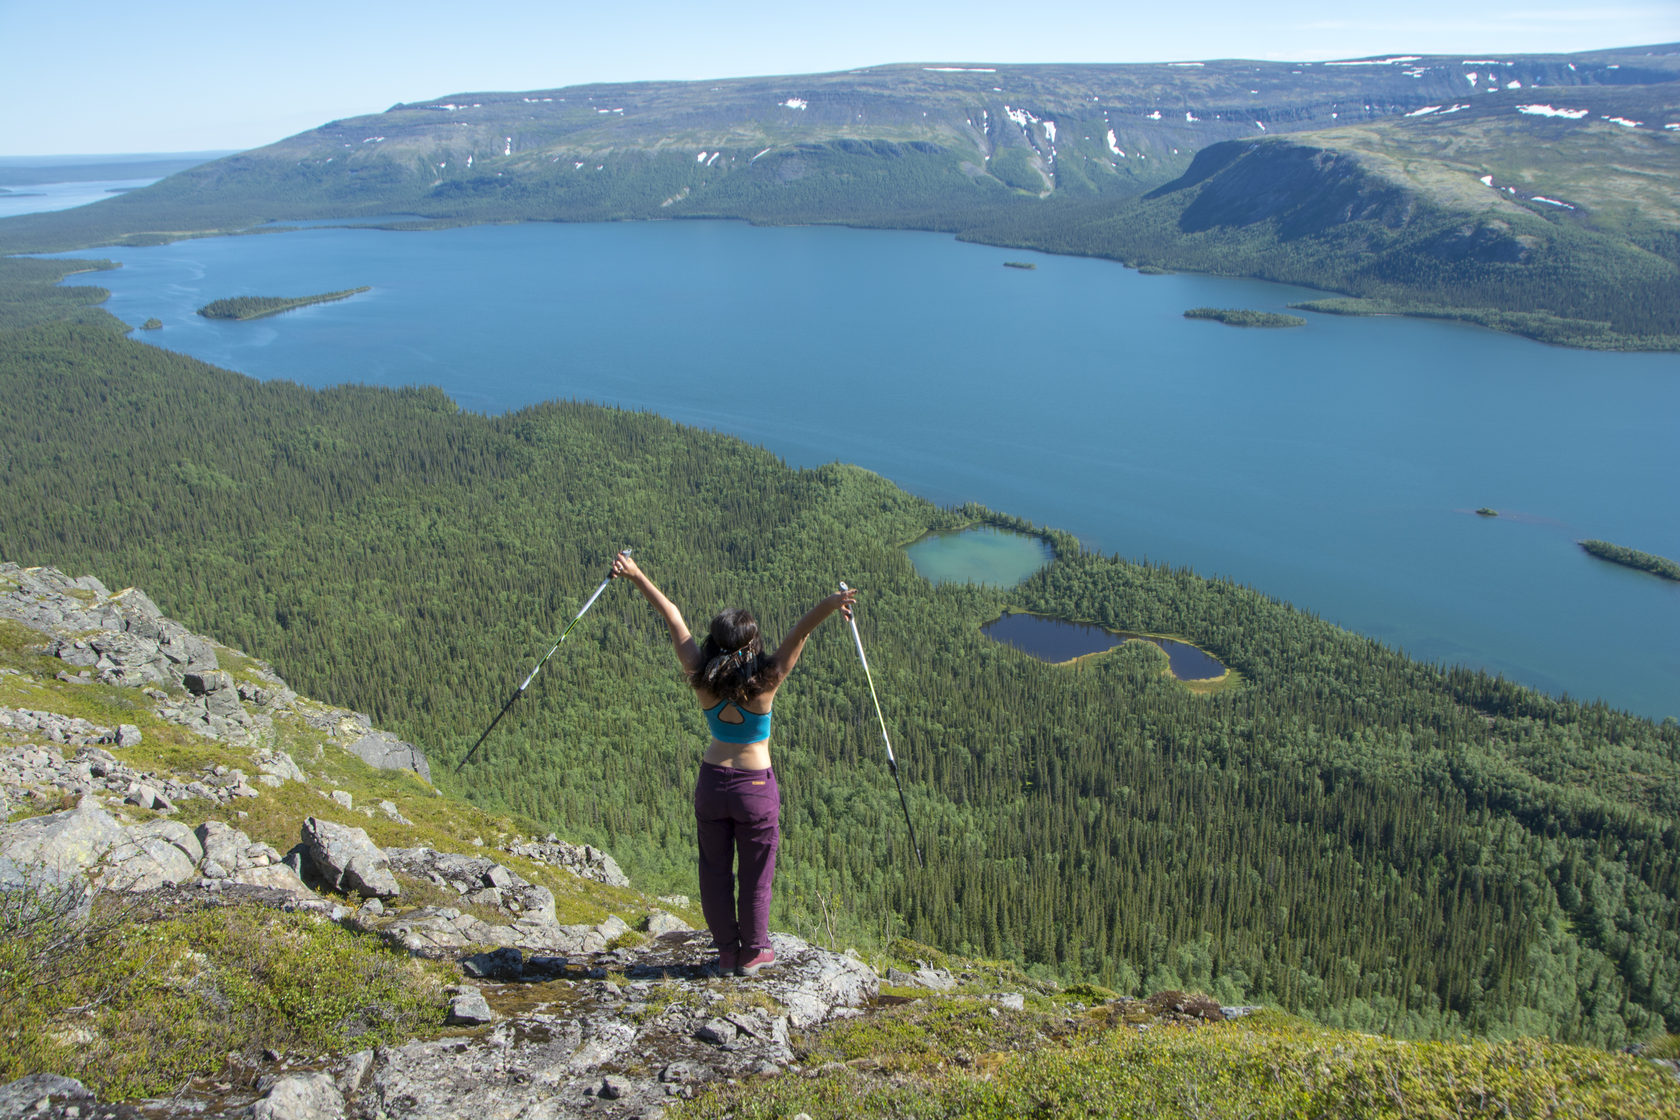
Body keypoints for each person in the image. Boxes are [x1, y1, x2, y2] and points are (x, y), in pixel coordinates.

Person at [612, 551, 855, 976]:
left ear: (713, 642)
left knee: (714, 870)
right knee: (756, 873)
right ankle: (754, 951)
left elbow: (671, 614)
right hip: (755, 789)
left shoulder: (698, 673)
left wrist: (635, 574)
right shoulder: (767, 682)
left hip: (711, 783)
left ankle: (726, 951)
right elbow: (800, 632)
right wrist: (832, 605)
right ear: (751, 645)